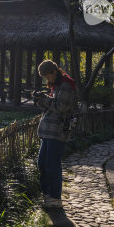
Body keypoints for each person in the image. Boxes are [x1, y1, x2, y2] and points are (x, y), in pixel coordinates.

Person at [34, 59, 77, 209]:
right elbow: (51, 104)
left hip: (57, 131)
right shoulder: (57, 85)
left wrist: (44, 99)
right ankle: (47, 195)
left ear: (54, 72)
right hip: (48, 131)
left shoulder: (66, 85)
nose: (47, 79)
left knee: (52, 165)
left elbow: (60, 107)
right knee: (42, 163)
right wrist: (41, 99)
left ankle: (55, 197)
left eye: (47, 76)